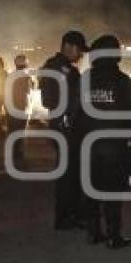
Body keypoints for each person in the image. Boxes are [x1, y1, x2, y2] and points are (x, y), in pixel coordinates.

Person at [76, 34, 131, 249]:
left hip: (89, 144)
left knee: (91, 189)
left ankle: (94, 233)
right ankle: (114, 236)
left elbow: (75, 112)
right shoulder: (123, 80)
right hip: (114, 145)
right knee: (113, 191)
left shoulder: (85, 78)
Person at [39, 30, 88, 230]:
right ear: (69, 46)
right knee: (69, 176)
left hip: (61, 126)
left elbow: (49, 100)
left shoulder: (56, 67)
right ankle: (67, 218)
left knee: (69, 174)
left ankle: (67, 216)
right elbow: (52, 100)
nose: (81, 55)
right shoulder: (61, 69)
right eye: (79, 50)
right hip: (65, 128)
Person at [7, 54, 33, 165]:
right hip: (23, 108)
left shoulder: (10, 76)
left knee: (13, 131)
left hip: (12, 108)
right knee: (20, 132)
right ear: (26, 64)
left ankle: (13, 154)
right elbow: (29, 91)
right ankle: (18, 154)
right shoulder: (27, 77)